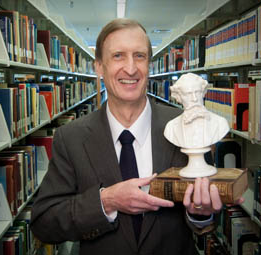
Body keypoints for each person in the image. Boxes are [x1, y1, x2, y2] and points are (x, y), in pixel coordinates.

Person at [30, 18, 228, 255]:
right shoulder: (71, 138)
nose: (131, 68)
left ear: (149, 65)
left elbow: (209, 215)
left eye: (139, 56)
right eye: (118, 56)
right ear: (99, 67)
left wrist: (200, 215)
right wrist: (106, 201)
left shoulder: (186, 126)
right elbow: (44, 222)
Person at [164, 73, 229, 149]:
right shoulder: (171, 128)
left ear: (203, 93)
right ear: (179, 97)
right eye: (188, 94)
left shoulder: (221, 123)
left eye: (197, 92)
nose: (194, 99)